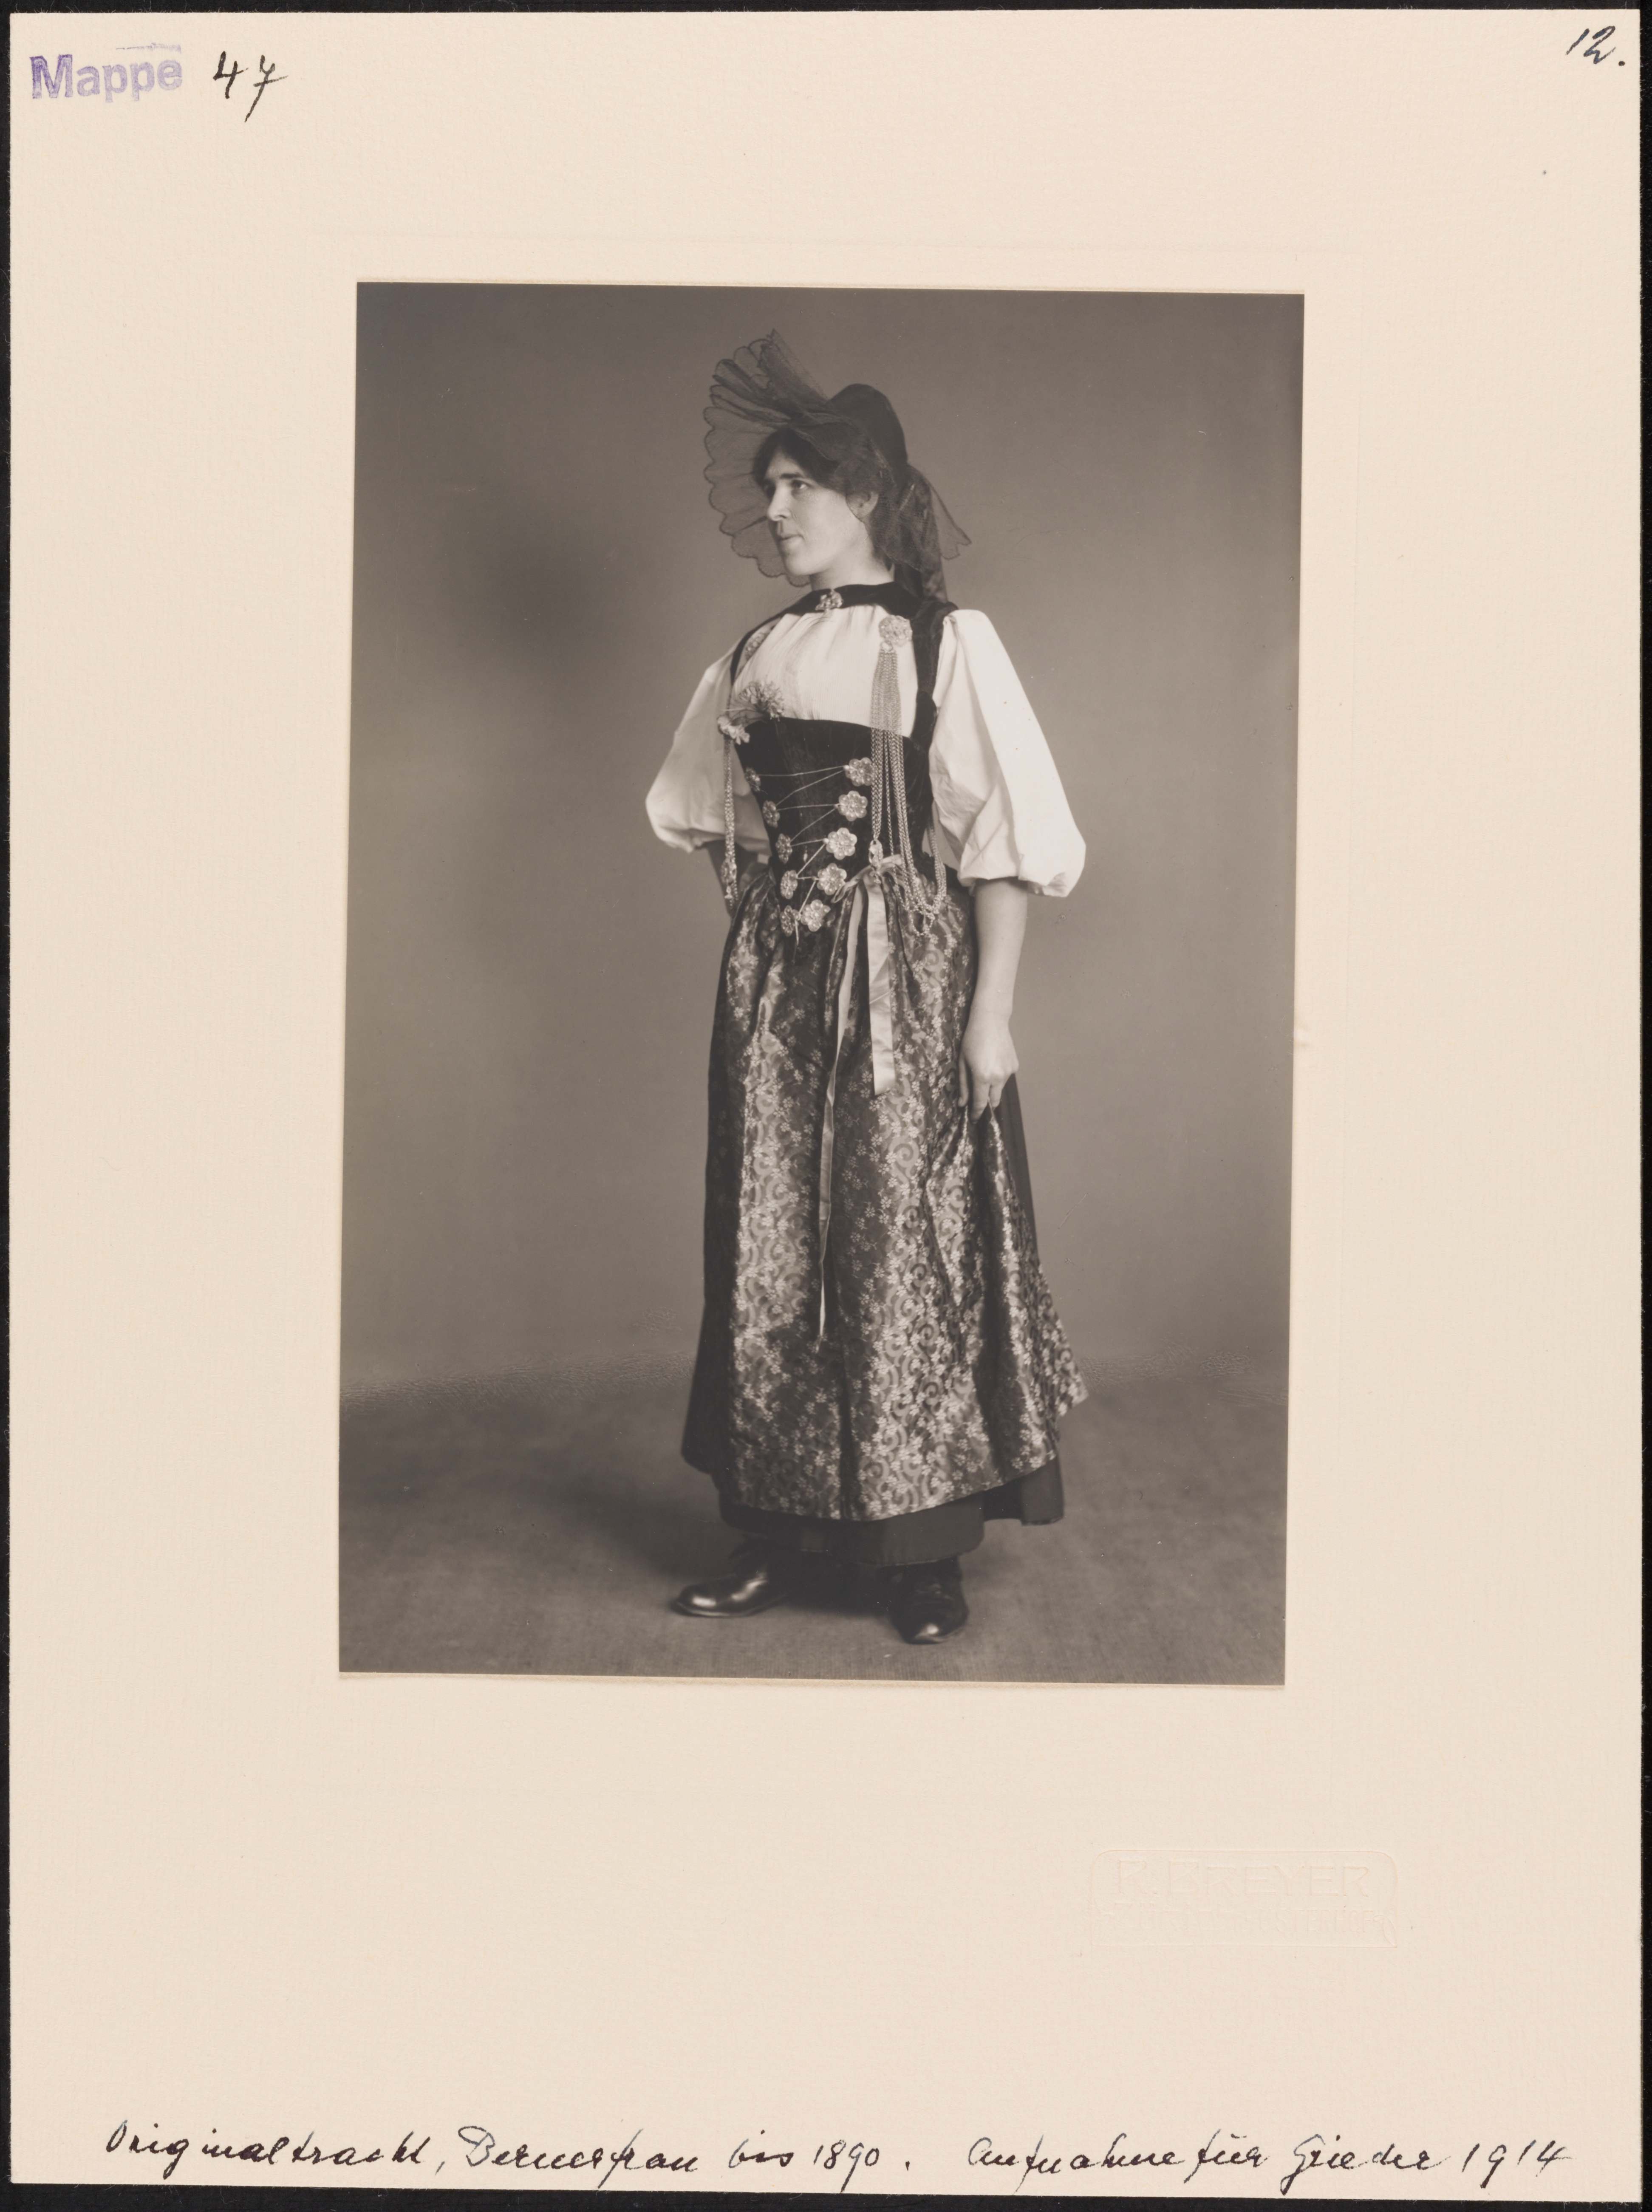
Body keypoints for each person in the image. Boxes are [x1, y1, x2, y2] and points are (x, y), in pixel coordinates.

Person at [645, 333, 1086, 1646]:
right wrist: (778, 923)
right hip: (780, 992)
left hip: (910, 982)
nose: (776, 510)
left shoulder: (948, 643)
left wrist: (989, 1017)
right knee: (771, 1232)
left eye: (799, 487)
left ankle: (918, 1553)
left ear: (870, 497)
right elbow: (707, 813)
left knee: (900, 1237)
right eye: (770, 488)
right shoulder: (757, 654)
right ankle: (774, 1529)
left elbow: (1003, 841)